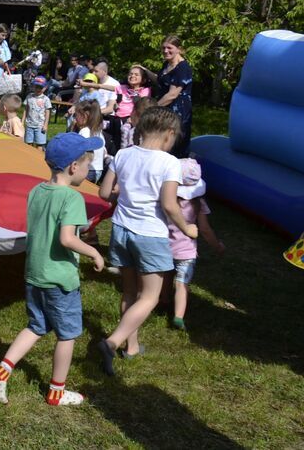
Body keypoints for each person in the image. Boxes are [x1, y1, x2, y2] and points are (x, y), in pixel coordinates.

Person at [0, 132, 105, 407]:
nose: (89, 170)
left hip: (35, 274)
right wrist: (94, 252)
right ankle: (56, 391)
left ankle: (3, 369)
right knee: (68, 334)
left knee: (36, 325)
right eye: (88, 164)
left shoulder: (36, 191)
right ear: (74, 167)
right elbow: (67, 238)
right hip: (60, 279)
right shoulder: (72, 198)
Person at [94, 107, 199, 375]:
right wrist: (187, 228)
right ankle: (112, 342)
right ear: (170, 134)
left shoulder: (123, 154)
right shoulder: (169, 162)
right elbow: (169, 204)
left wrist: (128, 193)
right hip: (150, 235)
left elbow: (106, 191)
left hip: (120, 230)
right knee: (150, 297)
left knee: (130, 292)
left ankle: (132, 346)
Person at [166, 158, 225, 330]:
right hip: (186, 252)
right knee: (181, 283)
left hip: (165, 247)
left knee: (165, 275)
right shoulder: (199, 204)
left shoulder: (167, 201)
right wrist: (217, 246)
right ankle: (178, 316)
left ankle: (162, 300)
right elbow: (205, 230)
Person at [145, 35, 194, 158]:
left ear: (179, 49)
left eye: (169, 48)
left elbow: (172, 94)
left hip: (177, 112)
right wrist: (144, 70)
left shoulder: (183, 68)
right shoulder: (166, 64)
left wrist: (152, 110)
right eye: (163, 48)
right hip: (165, 109)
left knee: (173, 144)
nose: (165, 51)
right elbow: (161, 80)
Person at [71, 100, 106, 183]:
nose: (75, 118)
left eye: (76, 115)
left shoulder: (84, 131)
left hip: (88, 169)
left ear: (85, 116)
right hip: (97, 169)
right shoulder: (98, 132)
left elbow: (79, 151)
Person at [23, 76, 52, 149]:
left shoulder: (46, 99)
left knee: (40, 144)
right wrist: (22, 120)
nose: (38, 89)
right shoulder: (29, 96)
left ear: (45, 88)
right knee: (28, 143)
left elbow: (47, 112)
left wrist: (45, 125)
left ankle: (38, 159)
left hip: (40, 125)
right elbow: (26, 109)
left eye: (40, 87)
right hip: (29, 124)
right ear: (33, 86)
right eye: (36, 87)